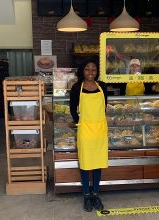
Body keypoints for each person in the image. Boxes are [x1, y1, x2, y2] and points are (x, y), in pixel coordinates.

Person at [70, 59, 108, 212]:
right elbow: (73, 109)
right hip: (85, 130)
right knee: (85, 164)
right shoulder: (76, 87)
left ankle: (95, 193)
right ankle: (86, 195)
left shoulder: (102, 86)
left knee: (98, 163)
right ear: (82, 71)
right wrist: (81, 122)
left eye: (93, 69)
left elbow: (104, 107)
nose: (90, 72)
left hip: (99, 129)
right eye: (87, 69)